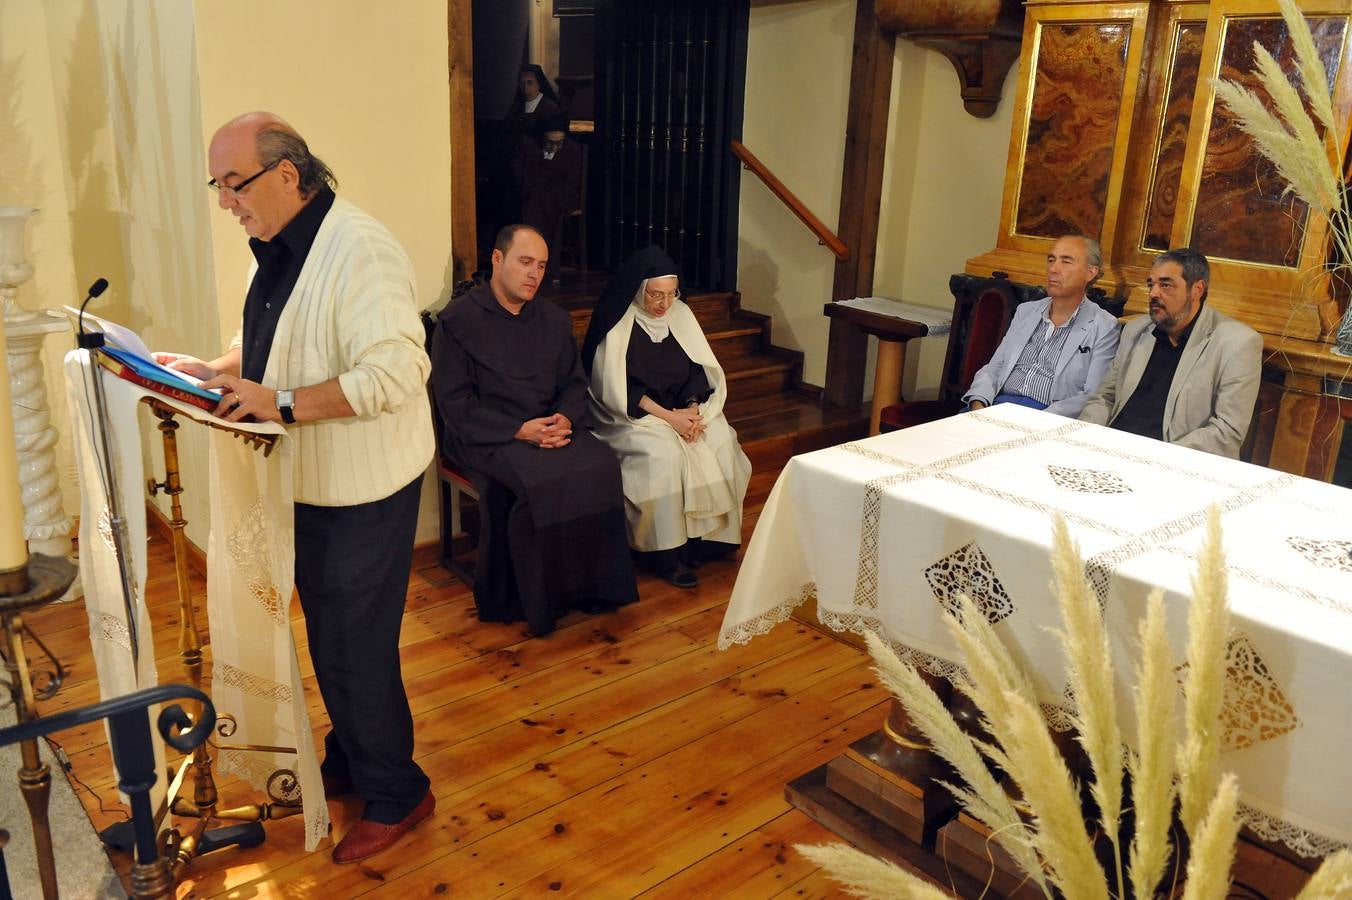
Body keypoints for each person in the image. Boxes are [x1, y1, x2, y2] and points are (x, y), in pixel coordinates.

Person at [158, 112, 434, 864]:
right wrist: (216, 370)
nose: (225, 202)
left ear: (287, 173)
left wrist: (277, 403)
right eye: (216, 186)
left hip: (363, 486)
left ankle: (399, 791)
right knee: (332, 633)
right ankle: (354, 752)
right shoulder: (277, 248)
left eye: (234, 184)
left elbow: (399, 372)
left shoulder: (362, 250)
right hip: (308, 480)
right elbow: (273, 343)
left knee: (355, 641)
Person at [429, 224, 637, 634]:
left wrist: (565, 417)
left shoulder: (554, 320)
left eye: (541, 266)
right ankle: (536, 601)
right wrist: (518, 430)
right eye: (525, 262)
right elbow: (454, 404)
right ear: (497, 259)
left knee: (600, 465)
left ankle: (590, 587)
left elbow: (574, 384)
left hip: (548, 426)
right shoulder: (457, 322)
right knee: (538, 481)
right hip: (486, 434)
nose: (534, 275)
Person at [581, 246, 751, 588]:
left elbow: (696, 370)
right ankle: (666, 555)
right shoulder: (618, 324)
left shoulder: (681, 316)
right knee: (664, 454)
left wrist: (691, 409)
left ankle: (710, 542)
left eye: (672, 294)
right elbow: (616, 390)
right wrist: (669, 419)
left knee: (720, 438)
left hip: (679, 411)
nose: (664, 305)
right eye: (656, 295)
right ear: (638, 290)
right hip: (633, 416)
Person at [1079, 247, 1262, 458]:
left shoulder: (1237, 343)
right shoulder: (1135, 330)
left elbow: (1227, 432)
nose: (1154, 293)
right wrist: (1084, 438)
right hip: (1110, 451)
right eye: (1151, 285)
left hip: (1173, 461)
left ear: (1197, 289)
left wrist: (1155, 457)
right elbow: (1105, 397)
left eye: (1165, 285)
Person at [963, 235, 1120, 417]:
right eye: (1051, 260)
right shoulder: (1026, 311)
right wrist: (978, 404)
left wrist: (1036, 421)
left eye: (1066, 261)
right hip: (995, 405)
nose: (1053, 269)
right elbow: (994, 367)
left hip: (1046, 416)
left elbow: (1091, 395)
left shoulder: (1104, 326)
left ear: (1090, 273)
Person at [515, 113, 582, 282]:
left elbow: (572, 181)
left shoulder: (571, 148)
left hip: (559, 198)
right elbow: (521, 178)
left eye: (559, 142)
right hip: (531, 194)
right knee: (532, 208)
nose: (555, 146)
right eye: (550, 142)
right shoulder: (528, 145)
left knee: (553, 213)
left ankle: (549, 272)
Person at [503, 64, 564, 149]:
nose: (525, 87)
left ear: (539, 84)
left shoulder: (550, 108)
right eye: (522, 83)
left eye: (530, 83)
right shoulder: (516, 106)